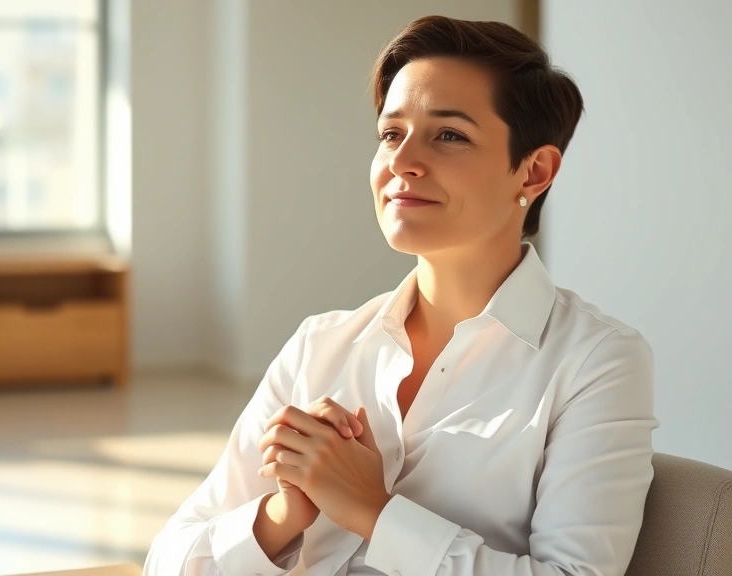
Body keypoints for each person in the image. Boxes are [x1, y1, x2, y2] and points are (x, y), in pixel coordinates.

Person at [145, 15, 656, 576]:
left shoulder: (596, 362)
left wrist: (371, 508)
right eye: (391, 134)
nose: (401, 162)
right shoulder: (320, 344)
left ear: (533, 172)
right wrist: (283, 514)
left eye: (450, 135)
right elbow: (168, 561)